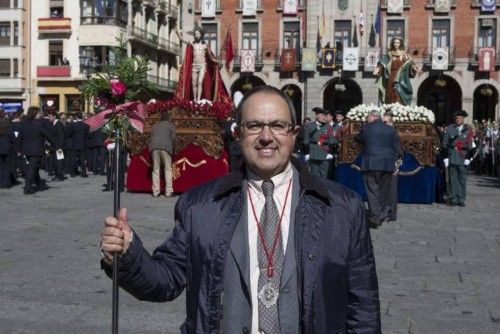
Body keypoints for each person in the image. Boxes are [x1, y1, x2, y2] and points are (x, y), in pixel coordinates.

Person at [100, 85, 381, 333]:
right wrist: (128, 254)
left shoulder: (343, 207)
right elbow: (166, 280)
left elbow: (363, 306)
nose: (266, 137)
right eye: (254, 125)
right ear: (238, 134)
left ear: (294, 134)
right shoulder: (200, 206)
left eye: (278, 125)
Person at [356, 109, 401, 228]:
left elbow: (358, 139)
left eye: (367, 117)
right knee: (383, 191)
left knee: (372, 190)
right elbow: (397, 148)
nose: (366, 119)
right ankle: (379, 216)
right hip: (387, 164)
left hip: (370, 163)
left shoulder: (366, 128)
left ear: (372, 117)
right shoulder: (391, 129)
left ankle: (375, 217)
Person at [175, 26, 224, 102]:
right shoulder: (192, 44)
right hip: (194, 66)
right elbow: (182, 40)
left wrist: (217, 62)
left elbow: (210, 56)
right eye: (195, 34)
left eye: (197, 34)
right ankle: (195, 99)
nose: (196, 35)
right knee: (194, 83)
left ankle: (198, 99)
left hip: (202, 66)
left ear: (201, 35)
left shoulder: (205, 45)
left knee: (200, 81)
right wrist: (177, 33)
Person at [18, 107, 57, 194]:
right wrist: (56, 145)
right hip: (36, 150)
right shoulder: (38, 124)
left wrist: (19, 149)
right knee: (32, 169)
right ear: (34, 114)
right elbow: (47, 136)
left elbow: (19, 138)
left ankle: (38, 183)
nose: (40, 114)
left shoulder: (23, 123)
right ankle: (27, 188)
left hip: (26, 150)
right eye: (39, 113)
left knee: (34, 168)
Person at [373, 37, 418, 106]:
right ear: (392, 44)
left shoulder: (404, 54)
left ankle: (399, 108)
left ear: (400, 44)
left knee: (398, 92)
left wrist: (414, 68)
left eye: (397, 43)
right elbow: (383, 63)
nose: (396, 44)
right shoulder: (389, 54)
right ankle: (390, 107)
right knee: (390, 92)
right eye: (394, 42)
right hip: (391, 75)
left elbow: (411, 63)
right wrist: (378, 69)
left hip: (401, 77)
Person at [442, 110, 473, 207]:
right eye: (456, 118)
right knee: (452, 179)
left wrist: (468, 158)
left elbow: (470, 146)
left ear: (463, 119)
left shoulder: (468, 130)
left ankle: (461, 198)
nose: (458, 120)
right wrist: (446, 157)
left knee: (462, 179)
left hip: (462, 157)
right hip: (452, 156)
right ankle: (453, 198)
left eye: (460, 118)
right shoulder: (450, 129)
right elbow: (445, 144)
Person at [149, 111, 176, 197]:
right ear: (168, 118)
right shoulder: (171, 125)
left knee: (155, 170)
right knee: (167, 169)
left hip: (154, 147)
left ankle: (155, 191)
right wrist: (174, 148)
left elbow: (151, 137)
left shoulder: (155, 126)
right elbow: (174, 138)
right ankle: (168, 192)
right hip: (165, 147)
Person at [383, 112, 402, 221]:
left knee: (391, 191)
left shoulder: (394, 133)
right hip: (383, 165)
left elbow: (399, 152)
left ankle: (390, 214)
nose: (384, 124)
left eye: (386, 122)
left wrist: (396, 167)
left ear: (391, 122)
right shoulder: (384, 133)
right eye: (383, 122)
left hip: (392, 166)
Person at [303, 107, 333, 178]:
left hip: (324, 153)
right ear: (316, 116)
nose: (324, 117)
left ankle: (324, 189)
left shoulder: (328, 126)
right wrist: (307, 153)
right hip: (314, 153)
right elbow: (306, 141)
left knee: (324, 175)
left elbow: (331, 141)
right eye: (322, 115)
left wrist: (330, 153)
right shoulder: (309, 125)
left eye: (325, 115)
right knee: (314, 175)